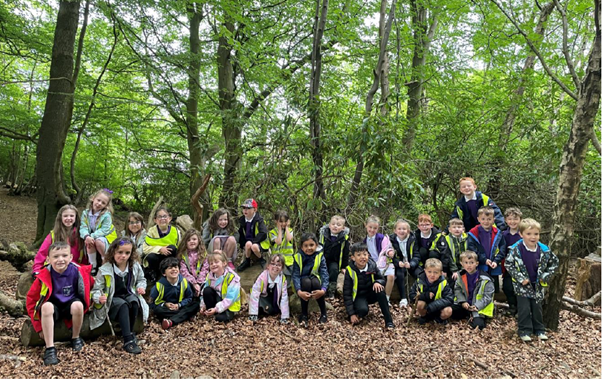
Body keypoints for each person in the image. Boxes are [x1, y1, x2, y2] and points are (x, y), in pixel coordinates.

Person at [26, 242, 93, 366]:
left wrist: (96, 299)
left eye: (64, 255)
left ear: (71, 257)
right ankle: (50, 348)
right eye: (56, 256)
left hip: (70, 306)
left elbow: (92, 286)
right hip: (53, 308)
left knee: (78, 305)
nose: (60, 259)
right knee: (46, 306)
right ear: (48, 259)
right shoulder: (44, 275)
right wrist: (38, 326)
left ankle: (75, 337)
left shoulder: (78, 271)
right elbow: (31, 301)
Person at [90, 237, 148, 354]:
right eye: (120, 252)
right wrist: (98, 298)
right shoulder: (105, 269)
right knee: (123, 305)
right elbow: (96, 289)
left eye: (127, 253)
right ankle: (127, 340)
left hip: (128, 293)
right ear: (113, 252)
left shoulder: (134, 266)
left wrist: (141, 287)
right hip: (112, 298)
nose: (123, 256)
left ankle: (130, 332)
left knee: (134, 301)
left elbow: (141, 279)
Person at [505, 218, 558, 342]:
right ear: (521, 234)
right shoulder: (516, 249)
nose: (532, 237)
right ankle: (524, 330)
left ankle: (539, 329)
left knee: (537, 308)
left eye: (536, 234)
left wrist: (545, 276)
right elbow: (508, 264)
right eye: (529, 234)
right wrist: (520, 278)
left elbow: (554, 263)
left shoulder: (544, 250)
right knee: (524, 309)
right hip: (522, 285)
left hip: (537, 285)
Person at [343, 243, 394, 329]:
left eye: (365, 254)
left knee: (380, 290)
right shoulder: (350, 270)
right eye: (358, 255)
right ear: (353, 258)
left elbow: (381, 279)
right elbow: (347, 293)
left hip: (371, 292)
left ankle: (388, 320)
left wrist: (378, 282)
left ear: (368, 255)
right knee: (363, 310)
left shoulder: (372, 265)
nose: (362, 257)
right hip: (359, 296)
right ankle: (357, 312)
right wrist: (351, 314)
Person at [33, 205, 86, 277]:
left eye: (71, 216)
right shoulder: (54, 234)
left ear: (76, 218)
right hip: (56, 267)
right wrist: (37, 270)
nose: (68, 218)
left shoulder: (81, 234)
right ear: (61, 217)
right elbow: (42, 254)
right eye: (65, 216)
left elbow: (85, 257)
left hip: (74, 268)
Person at [149, 257, 199, 330]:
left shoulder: (184, 282)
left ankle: (171, 321)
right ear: (164, 273)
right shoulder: (158, 286)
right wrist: (165, 304)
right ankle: (184, 316)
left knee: (195, 304)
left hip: (180, 306)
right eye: (170, 268)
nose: (174, 269)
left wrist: (179, 305)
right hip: (167, 309)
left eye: (176, 267)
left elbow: (189, 298)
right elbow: (151, 303)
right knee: (158, 310)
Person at [450, 251, 494, 330]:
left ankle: (475, 316)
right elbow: (457, 289)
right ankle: (468, 314)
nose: (469, 265)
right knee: (448, 311)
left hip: (478, 307)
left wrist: (477, 306)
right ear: (461, 264)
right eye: (466, 262)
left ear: (477, 263)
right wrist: (463, 302)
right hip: (465, 305)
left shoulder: (485, 279)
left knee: (478, 326)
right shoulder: (461, 275)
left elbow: (487, 297)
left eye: (471, 262)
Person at [292, 232, 329, 327]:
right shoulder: (298, 257)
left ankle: (324, 313)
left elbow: (324, 273)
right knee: (306, 282)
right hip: (303, 281)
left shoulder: (320, 256)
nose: (309, 248)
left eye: (312, 245)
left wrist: (323, 290)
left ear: (316, 245)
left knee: (316, 283)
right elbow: (295, 275)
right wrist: (299, 292)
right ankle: (304, 314)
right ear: (301, 247)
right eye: (306, 245)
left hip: (315, 278)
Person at [467, 206, 507, 294]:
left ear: (493, 219)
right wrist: (483, 260)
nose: (486, 221)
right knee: (480, 288)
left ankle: (494, 305)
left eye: (489, 219)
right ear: (478, 219)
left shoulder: (498, 233)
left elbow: (502, 248)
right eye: (483, 219)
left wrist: (496, 261)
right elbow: (471, 249)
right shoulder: (473, 233)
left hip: (494, 265)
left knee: (494, 289)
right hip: (480, 266)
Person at [80, 188, 118, 274]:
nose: (99, 203)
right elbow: (83, 227)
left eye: (103, 203)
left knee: (98, 241)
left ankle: (106, 261)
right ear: (93, 198)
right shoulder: (85, 213)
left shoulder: (106, 215)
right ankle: (92, 266)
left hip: (106, 238)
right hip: (92, 237)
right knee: (89, 242)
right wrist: (86, 236)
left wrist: (91, 236)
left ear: (106, 205)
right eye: (98, 200)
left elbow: (104, 230)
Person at [143, 206, 182, 283]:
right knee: (151, 257)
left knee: (173, 248)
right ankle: (154, 273)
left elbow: (179, 247)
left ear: (170, 218)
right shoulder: (151, 232)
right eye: (159, 217)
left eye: (165, 216)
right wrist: (160, 249)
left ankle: (170, 271)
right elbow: (145, 248)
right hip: (157, 258)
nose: (162, 219)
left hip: (170, 257)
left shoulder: (176, 231)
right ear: (155, 220)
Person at [200, 251, 242, 323]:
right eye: (211, 263)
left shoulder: (232, 277)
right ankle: (211, 310)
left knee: (220, 318)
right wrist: (203, 305)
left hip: (229, 305)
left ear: (224, 263)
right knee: (207, 290)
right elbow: (203, 291)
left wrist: (216, 309)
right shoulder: (210, 276)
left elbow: (230, 298)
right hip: (218, 301)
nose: (213, 265)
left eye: (216, 262)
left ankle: (218, 312)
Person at [409, 258, 453, 325]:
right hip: (425, 308)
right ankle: (424, 317)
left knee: (448, 310)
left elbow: (449, 299)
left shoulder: (443, 283)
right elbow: (412, 295)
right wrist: (425, 296)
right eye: (429, 272)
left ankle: (439, 319)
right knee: (420, 304)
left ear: (440, 273)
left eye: (435, 272)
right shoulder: (420, 280)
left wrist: (432, 306)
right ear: (425, 271)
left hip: (438, 308)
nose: (432, 275)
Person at [248, 254, 290, 323]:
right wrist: (253, 313)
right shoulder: (262, 277)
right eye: (273, 264)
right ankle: (259, 310)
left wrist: (284, 316)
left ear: (282, 268)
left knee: (272, 309)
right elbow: (255, 293)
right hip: (263, 297)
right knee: (261, 304)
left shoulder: (282, 280)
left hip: (275, 299)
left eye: (278, 265)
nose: (275, 267)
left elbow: (284, 297)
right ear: (268, 266)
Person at [363, 215, 395, 305]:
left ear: (378, 228)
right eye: (370, 227)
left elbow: (387, 248)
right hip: (371, 262)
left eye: (375, 228)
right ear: (366, 225)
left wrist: (390, 252)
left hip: (383, 261)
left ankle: (387, 298)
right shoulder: (364, 241)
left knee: (391, 276)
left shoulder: (382, 238)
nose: (372, 230)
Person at [318, 215, 350, 299]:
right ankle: (323, 289)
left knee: (333, 271)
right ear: (329, 225)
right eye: (333, 224)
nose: (335, 226)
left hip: (335, 261)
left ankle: (331, 291)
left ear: (343, 228)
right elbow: (318, 248)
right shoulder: (323, 235)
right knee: (323, 272)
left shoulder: (344, 239)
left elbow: (345, 254)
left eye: (338, 225)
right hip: (323, 259)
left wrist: (344, 266)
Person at [430, 218, 467, 287]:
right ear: (449, 229)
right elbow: (448, 256)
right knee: (453, 280)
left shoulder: (467, 238)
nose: (457, 229)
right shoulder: (446, 239)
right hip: (452, 267)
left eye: (459, 227)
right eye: (454, 227)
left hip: (465, 266)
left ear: (463, 229)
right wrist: (454, 270)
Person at [236, 199, 269, 272]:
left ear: (255, 209)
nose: (245, 210)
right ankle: (247, 261)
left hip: (258, 242)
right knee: (248, 244)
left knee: (253, 246)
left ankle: (261, 259)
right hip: (248, 242)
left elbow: (263, 233)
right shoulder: (242, 220)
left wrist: (254, 241)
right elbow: (241, 233)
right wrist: (242, 244)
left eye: (248, 208)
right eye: (244, 208)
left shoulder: (259, 220)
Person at [388, 219, 414, 308]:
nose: (402, 231)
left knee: (419, 274)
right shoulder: (391, 240)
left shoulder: (413, 239)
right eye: (399, 229)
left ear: (408, 231)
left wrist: (411, 263)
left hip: (410, 263)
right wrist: (397, 262)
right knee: (399, 273)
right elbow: (391, 256)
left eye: (404, 229)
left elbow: (417, 254)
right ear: (395, 231)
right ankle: (403, 298)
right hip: (399, 264)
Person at [502, 207, 522, 316]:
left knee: (520, 287)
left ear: (520, 220)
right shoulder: (504, 234)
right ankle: (512, 307)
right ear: (506, 220)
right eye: (509, 219)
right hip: (508, 266)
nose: (512, 222)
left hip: (522, 266)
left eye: (515, 219)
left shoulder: (523, 234)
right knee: (507, 287)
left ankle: (520, 309)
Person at [410, 214, 441, 278]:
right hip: (422, 259)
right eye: (422, 225)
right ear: (418, 226)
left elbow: (443, 250)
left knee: (433, 252)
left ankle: (434, 269)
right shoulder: (416, 235)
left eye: (427, 225)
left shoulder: (438, 235)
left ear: (431, 225)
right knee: (422, 250)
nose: (424, 227)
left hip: (434, 258)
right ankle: (425, 268)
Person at [178, 229, 207, 298]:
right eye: (189, 240)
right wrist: (194, 283)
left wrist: (199, 282)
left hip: (202, 280)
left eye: (194, 239)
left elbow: (205, 269)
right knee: (185, 286)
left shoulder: (204, 253)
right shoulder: (183, 255)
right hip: (189, 280)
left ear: (199, 240)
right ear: (185, 242)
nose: (192, 241)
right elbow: (183, 271)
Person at [268, 210, 295, 283]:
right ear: (276, 221)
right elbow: (279, 242)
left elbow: (289, 238)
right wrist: (279, 229)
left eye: (285, 221)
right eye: (281, 222)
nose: (283, 223)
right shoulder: (272, 232)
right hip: (277, 259)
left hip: (289, 260)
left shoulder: (290, 230)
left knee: (292, 274)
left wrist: (286, 227)